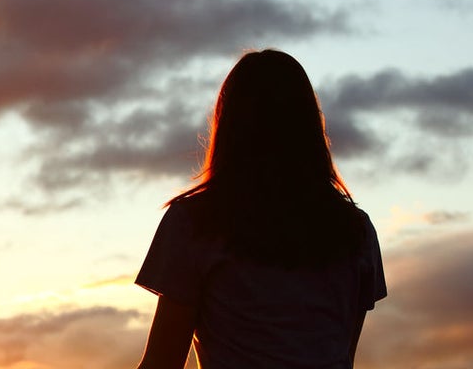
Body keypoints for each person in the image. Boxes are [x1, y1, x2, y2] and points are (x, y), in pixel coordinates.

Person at [134, 50, 386, 368]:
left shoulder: (196, 223)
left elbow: (162, 362)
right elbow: (341, 356)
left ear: (229, 125)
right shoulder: (355, 231)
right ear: (309, 124)